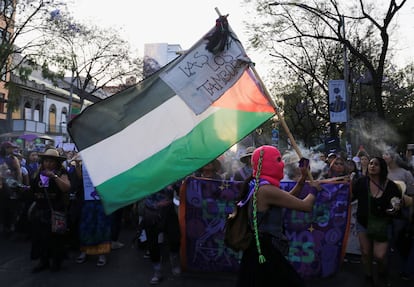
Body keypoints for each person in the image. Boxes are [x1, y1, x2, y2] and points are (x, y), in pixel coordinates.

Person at [236, 145, 320, 287]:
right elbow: (305, 206)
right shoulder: (266, 190)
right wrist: (314, 190)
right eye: (278, 159)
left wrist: (303, 178)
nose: (282, 164)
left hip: (260, 249)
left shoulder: (260, 185)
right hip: (266, 250)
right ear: (268, 163)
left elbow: (288, 198)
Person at [351, 156, 413, 286]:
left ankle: (382, 274)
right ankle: (368, 277)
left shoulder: (390, 186)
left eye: (376, 164)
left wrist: (395, 207)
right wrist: (347, 184)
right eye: (371, 163)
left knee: (380, 256)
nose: (372, 166)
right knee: (366, 253)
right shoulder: (361, 182)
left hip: (383, 224)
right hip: (363, 223)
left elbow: (397, 203)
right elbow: (351, 197)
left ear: (382, 168)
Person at [29, 148, 70, 272]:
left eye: (51, 161)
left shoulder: (61, 172)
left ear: (56, 163)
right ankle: (43, 261)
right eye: (46, 161)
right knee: (40, 238)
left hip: (55, 210)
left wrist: (55, 177)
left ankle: (56, 261)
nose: (48, 164)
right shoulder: (38, 172)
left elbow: (66, 187)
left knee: (55, 238)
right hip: (40, 210)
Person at [141, 182, 182, 284]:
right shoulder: (145, 173)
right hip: (151, 213)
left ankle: (174, 261)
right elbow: (140, 192)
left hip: (168, 211)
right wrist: (155, 204)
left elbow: (180, 190)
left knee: (175, 238)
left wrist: (175, 185)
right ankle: (157, 271)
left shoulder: (170, 172)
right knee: (152, 243)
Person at [75, 162, 112, 268]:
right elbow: (81, 178)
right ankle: (85, 250)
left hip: (102, 200)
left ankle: (102, 253)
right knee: (86, 226)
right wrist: (77, 165)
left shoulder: (106, 161)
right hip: (88, 200)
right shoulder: (86, 160)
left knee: (102, 225)